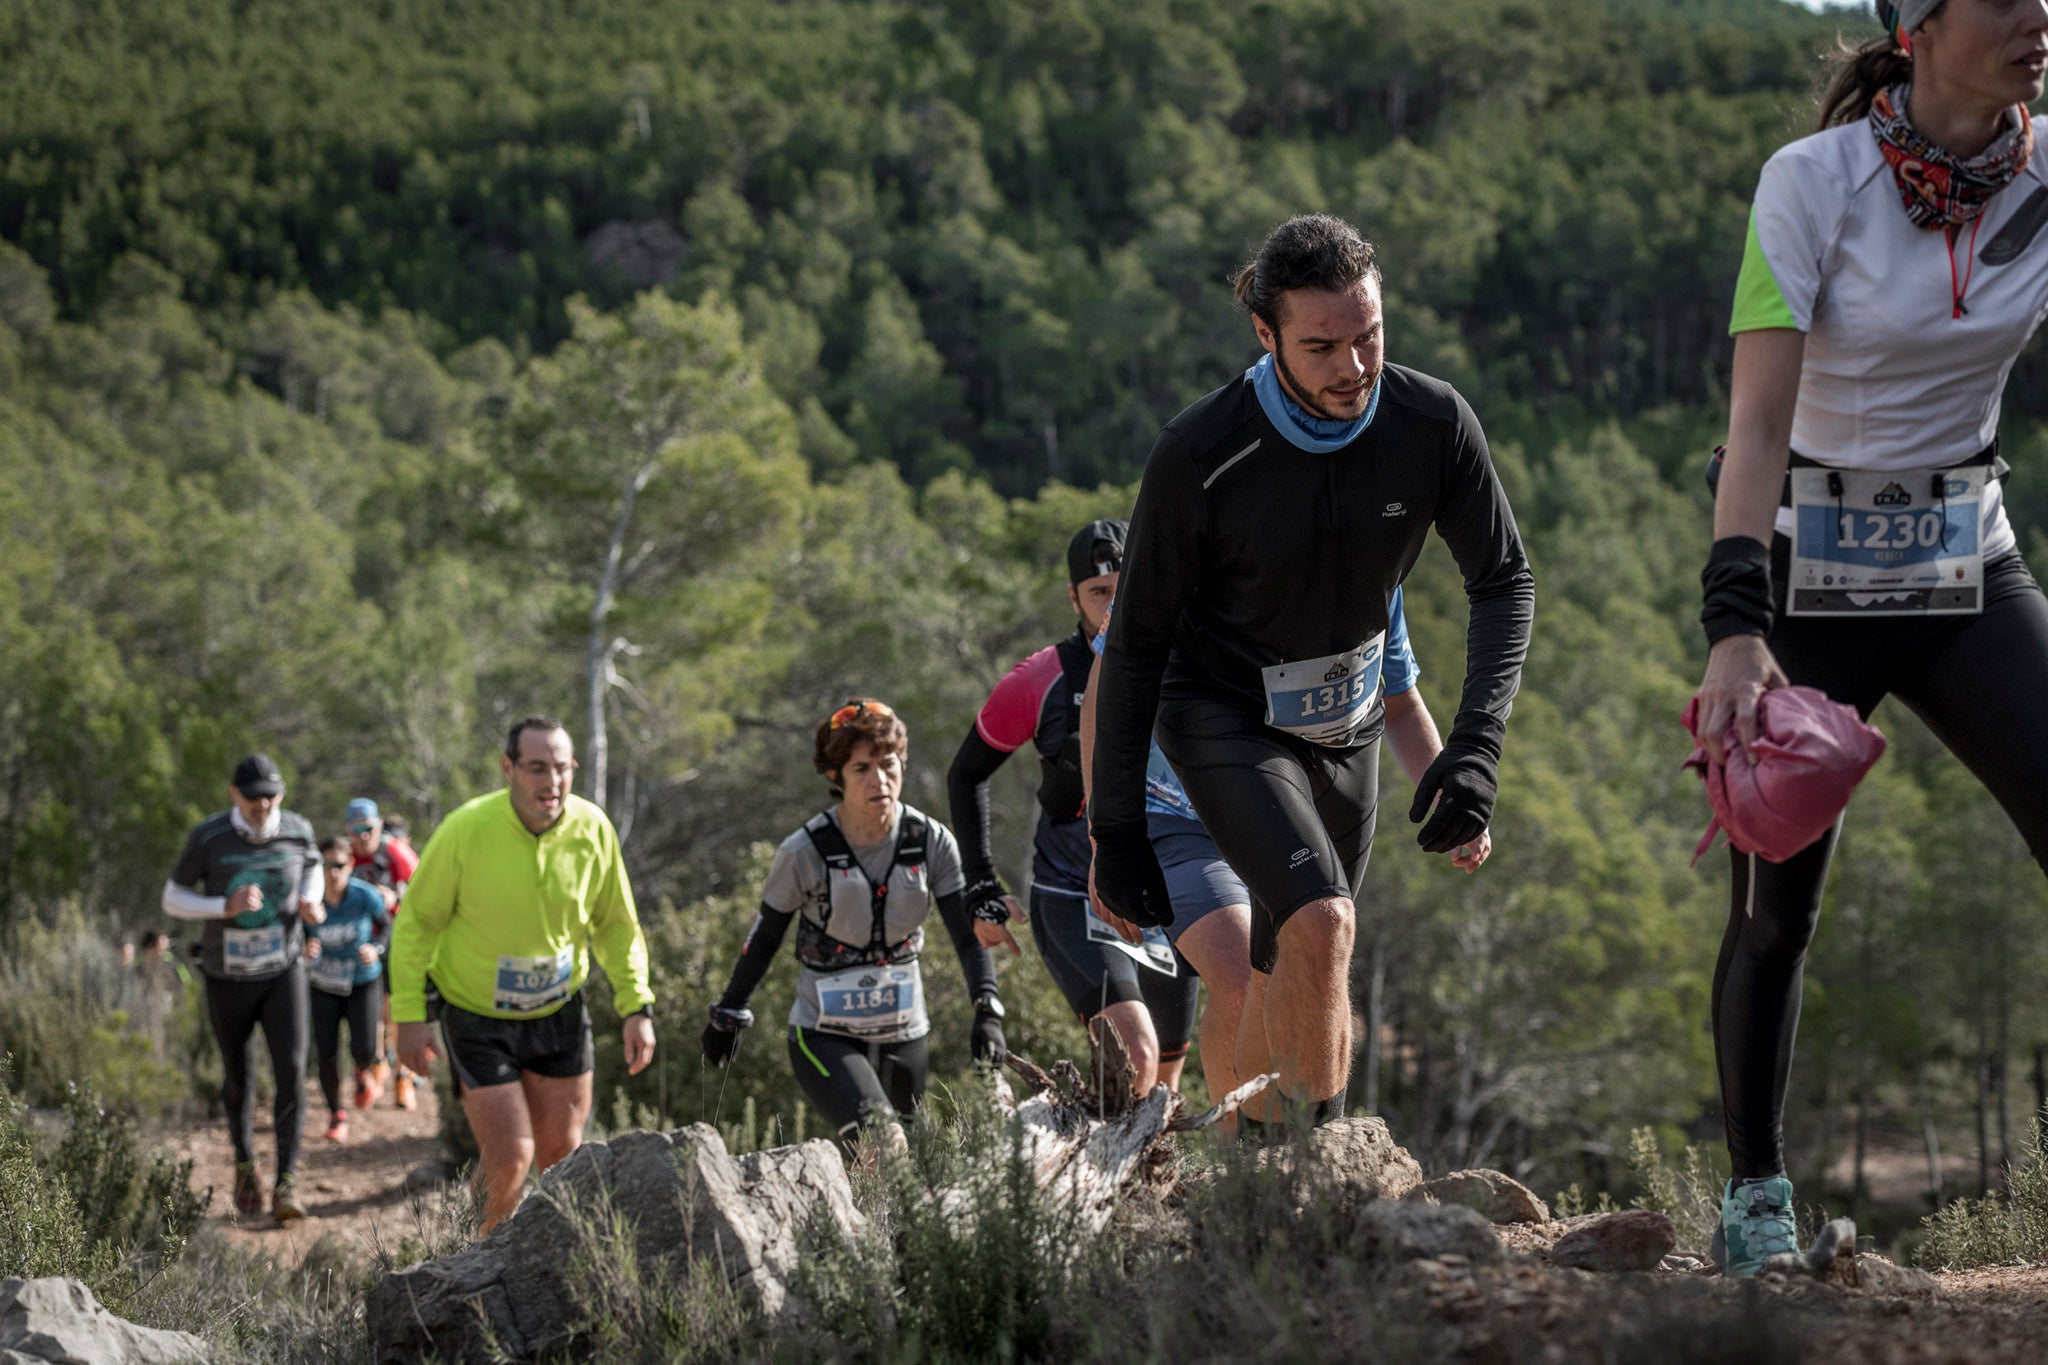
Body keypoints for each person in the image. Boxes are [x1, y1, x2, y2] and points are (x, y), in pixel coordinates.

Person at [1693, 0, 2048, 1277]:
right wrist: (1734, 633)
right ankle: (1753, 1198)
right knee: (1775, 914)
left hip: (1966, 561)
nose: (2037, 15)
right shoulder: (1810, 183)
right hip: (1809, 578)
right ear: (1917, 24)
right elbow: (1753, 426)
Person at [1089, 213, 1534, 1132]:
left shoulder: (1431, 423)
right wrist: (1115, 829)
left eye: (1369, 336)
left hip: (1348, 723)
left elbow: (1503, 579)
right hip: (1222, 716)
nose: (1353, 368)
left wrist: (1475, 748)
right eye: (1322, 346)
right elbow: (1132, 648)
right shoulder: (1202, 452)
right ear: (1266, 334)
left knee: (1292, 966)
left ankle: (1244, 1182)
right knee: (1324, 923)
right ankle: (1318, 1183)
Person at [1080, 590, 1490, 1134]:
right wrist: (1104, 836)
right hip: (1172, 816)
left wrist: (1450, 796)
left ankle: (1287, 1152)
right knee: (1238, 977)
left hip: (1278, 811)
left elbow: (1400, 703)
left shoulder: (1371, 569)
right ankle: (1242, 1170)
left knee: (1283, 967)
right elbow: (1104, 693)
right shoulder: (1191, 542)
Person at [948, 522, 1201, 1101]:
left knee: (1164, 1085)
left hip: (1165, 897)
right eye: (1098, 593)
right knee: (1133, 1056)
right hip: (1072, 894)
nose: (1114, 604)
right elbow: (966, 774)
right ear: (1073, 598)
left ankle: (1130, 1191)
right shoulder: (1042, 678)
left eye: (1123, 587)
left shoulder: (1186, 660)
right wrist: (980, 883)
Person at [389, 717, 657, 1233]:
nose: (551, 782)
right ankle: (473, 1264)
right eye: (537, 768)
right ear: (508, 768)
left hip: (558, 1011)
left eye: (562, 768)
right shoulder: (465, 830)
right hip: (477, 1016)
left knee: (562, 1159)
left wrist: (636, 1006)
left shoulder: (592, 828)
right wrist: (409, 1015)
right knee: (511, 1158)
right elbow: (416, 925)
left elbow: (616, 925)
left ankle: (553, 1271)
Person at [705, 698, 1005, 1156]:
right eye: (861, 768)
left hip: (905, 1030)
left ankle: (850, 1228)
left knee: (904, 1169)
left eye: (888, 764)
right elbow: (765, 937)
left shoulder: (931, 842)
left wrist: (988, 1006)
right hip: (824, 1034)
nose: (879, 780)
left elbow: (966, 934)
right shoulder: (803, 852)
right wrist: (729, 1013)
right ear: (835, 776)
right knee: (884, 1145)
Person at [161, 752, 325, 1225]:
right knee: (240, 1078)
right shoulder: (210, 836)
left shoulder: (297, 828)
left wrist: (310, 901)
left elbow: (312, 867)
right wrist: (223, 906)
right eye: (254, 797)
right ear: (235, 795)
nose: (264, 804)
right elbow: (172, 896)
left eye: (272, 796)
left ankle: (288, 1180)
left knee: (292, 1070)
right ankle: (244, 1163)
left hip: (283, 969)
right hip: (227, 977)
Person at [305, 837, 392, 1143]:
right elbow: (295, 933)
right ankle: (336, 1115)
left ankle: (363, 1069)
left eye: (339, 866)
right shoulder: (309, 900)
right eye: (326, 866)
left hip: (362, 981)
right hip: (323, 985)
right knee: (326, 1053)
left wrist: (376, 948)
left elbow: (388, 927)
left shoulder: (364, 896)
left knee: (365, 1048)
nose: (332, 873)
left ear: (350, 865)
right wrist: (305, 946)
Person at [347, 797, 421, 1109]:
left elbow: (421, 884)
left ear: (378, 827)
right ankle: (375, 1069)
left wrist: (395, 895)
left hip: (398, 937)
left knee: (399, 1009)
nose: (364, 835)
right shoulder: (345, 857)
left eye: (369, 828)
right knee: (374, 1013)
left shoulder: (393, 852)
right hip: (363, 944)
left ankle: (404, 1079)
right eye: (357, 830)